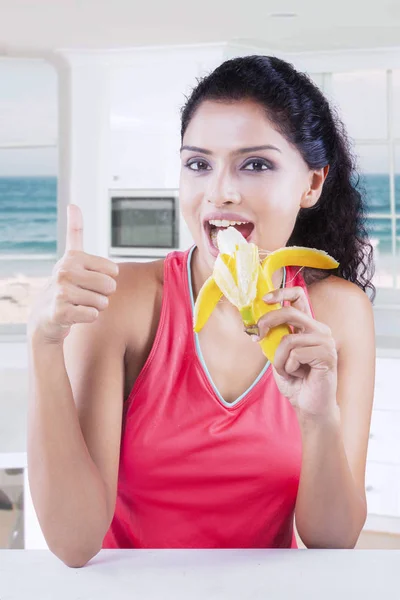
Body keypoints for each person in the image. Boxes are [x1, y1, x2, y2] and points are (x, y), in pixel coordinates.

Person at [27, 55, 376, 567]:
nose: (219, 191)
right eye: (198, 163)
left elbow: (332, 541)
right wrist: (43, 342)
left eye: (255, 164)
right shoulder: (120, 302)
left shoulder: (339, 315)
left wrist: (318, 418)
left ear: (313, 184)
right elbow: (74, 541)